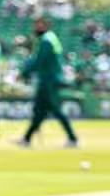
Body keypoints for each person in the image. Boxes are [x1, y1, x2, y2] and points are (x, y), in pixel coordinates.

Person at [19, 16, 79, 148]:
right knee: (40, 111)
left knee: (55, 110)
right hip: (48, 79)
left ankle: (73, 139)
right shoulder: (50, 38)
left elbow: (40, 60)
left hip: (48, 80)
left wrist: (25, 72)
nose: (35, 28)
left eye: (38, 25)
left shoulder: (46, 40)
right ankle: (26, 139)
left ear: (46, 26)